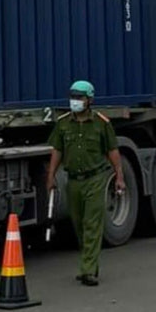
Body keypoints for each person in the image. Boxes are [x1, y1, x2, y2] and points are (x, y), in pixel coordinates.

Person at [46, 80, 126, 287]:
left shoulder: (101, 123)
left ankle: (88, 270)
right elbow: (57, 151)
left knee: (92, 224)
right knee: (78, 223)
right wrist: (50, 175)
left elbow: (112, 151)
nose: (75, 101)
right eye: (73, 97)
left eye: (80, 98)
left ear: (89, 100)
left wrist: (119, 176)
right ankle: (88, 262)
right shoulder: (63, 123)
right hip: (73, 180)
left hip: (95, 179)